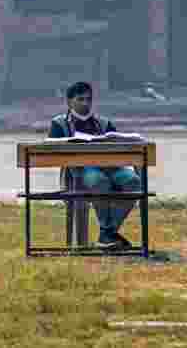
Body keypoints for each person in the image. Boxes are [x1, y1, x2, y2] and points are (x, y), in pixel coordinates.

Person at [48, 81, 143, 249]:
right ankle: (108, 234)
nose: (86, 103)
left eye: (89, 99)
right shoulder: (59, 123)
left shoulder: (104, 123)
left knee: (134, 182)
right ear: (70, 101)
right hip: (80, 171)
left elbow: (118, 145)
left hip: (112, 167)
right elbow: (50, 147)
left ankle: (107, 232)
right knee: (99, 181)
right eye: (81, 99)